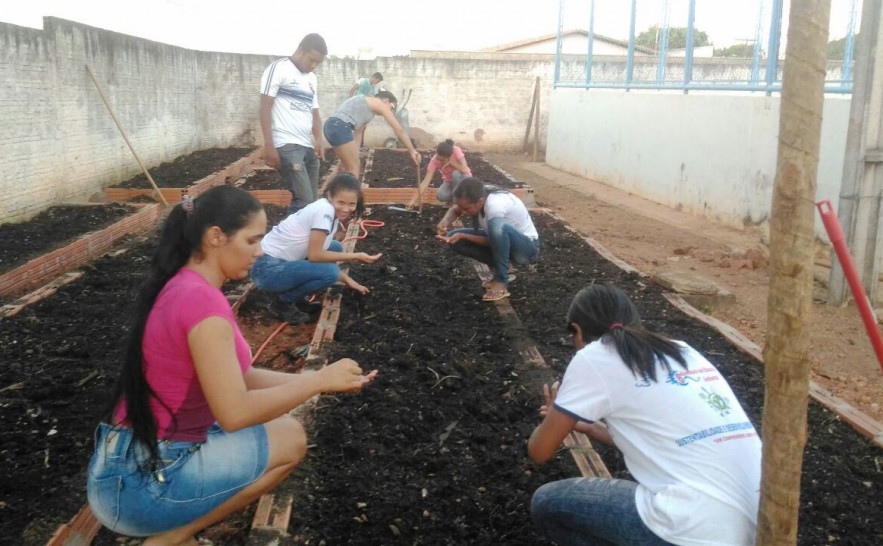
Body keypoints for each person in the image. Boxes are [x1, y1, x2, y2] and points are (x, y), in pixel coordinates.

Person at [86, 185, 377, 545]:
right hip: (141, 490)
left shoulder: (182, 285)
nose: (260, 252)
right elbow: (235, 413)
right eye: (252, 241)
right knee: (292, 440)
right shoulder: (203, 307)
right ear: (215, 237)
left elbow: (242, 377)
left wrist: (317, 376)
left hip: (124, 466)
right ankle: (173, 537)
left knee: (281, 424)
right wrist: (319, 383)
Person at [528, 283, 761, 546]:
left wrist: (554, 419)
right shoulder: (682, 350)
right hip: (755, 523)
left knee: (547, 504)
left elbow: (539, 451)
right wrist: (592, 428)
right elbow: (668, 440)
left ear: (578, 331)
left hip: (692, 529)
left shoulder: (594, 356)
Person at [250, 173, 381, 324]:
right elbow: (315, 256)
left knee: (335, 247)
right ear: (329, 196)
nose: (346, 209)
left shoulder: (328, 210)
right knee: (330, 274)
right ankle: (282, 303)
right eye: (341, 202)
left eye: (351, 204)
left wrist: (349, 281)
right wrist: (356, 256)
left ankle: (296, 298)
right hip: (266, 270)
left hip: (276, 263)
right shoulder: (324, 212)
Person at [435, 177, 539, 302]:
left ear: (480, 202)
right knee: (455, 237)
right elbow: (456, 209)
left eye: (466, 209)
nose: (463, 212)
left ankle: (501, 282)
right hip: (504, 242)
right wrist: (444, 223)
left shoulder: (495, 206)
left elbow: (495, 240)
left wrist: (465, 236)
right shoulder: (480, 194)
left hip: (525, 249)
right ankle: (505, 269)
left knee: (497, 225)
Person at [259, 33, 327, 214]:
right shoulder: (278, 69)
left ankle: (302, 241)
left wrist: (319, 139)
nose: (313, 66)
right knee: (303, 200)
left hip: (306, 145)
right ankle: (283, 241)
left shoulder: (312, 78)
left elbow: (315, 111)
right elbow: (265, 107)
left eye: (317, 63)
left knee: (312, 202)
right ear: (300, 50)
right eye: (311, 60)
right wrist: (269, 146)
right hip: (287, 145)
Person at [323, 90, 420, 180]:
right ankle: (352, 197)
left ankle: (329, 192)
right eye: (392, 107)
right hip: (340, 126)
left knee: (346, 166)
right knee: (354, 169)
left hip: (331, 126)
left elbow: (358, 132)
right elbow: (399, 129)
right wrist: (412, 150)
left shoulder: (366, 107)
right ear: (386, 100)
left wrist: (355, 154)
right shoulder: (378, 103)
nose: (390, 111)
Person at [407, 139, 472, 209]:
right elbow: (425, 182)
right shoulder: (434, 161)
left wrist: (451, 163)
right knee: (441, 195)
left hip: (464, 180)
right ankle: (453, 201)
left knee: (455, 174)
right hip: (450, 182)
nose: (439, 161)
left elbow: (465, 169)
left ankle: (458, 204)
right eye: (438, 158)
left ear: (449, 157)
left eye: (442, 160)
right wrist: (413, 200)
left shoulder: (456, 150)